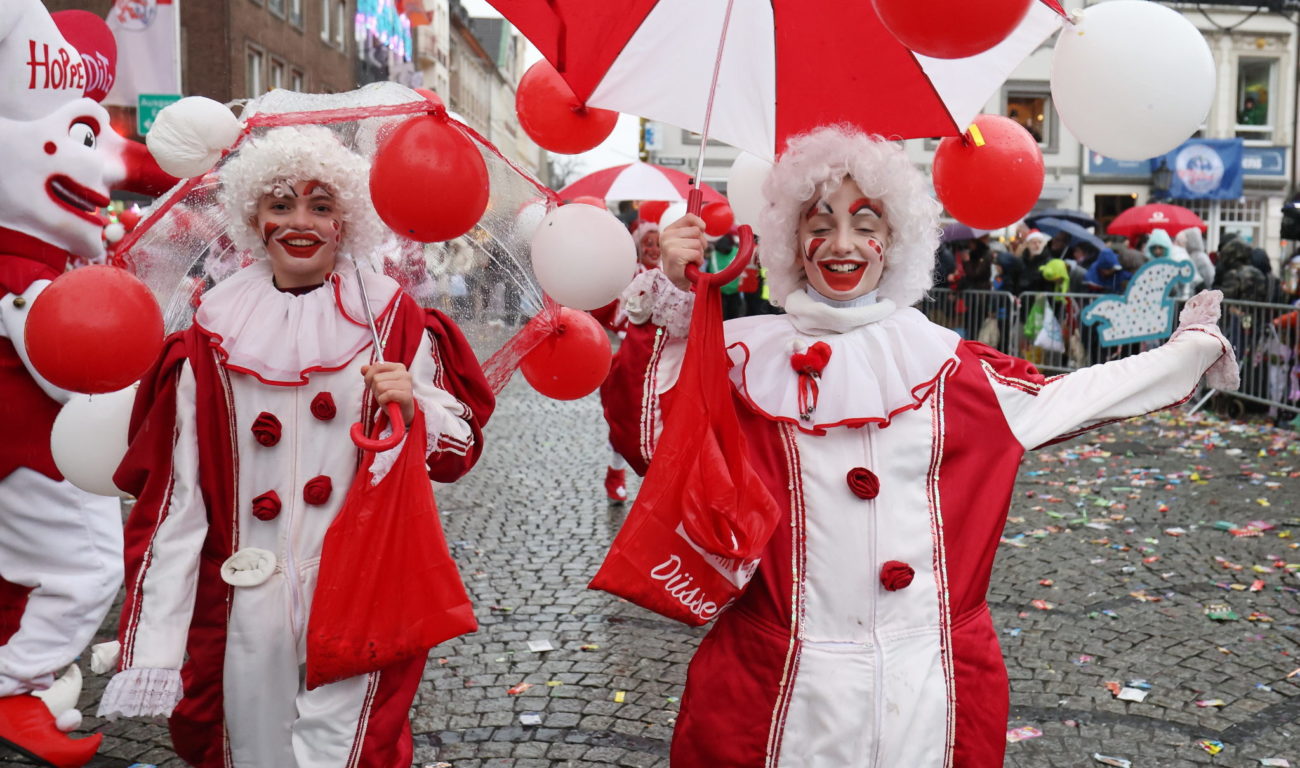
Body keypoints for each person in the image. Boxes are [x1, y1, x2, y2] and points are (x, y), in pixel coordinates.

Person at [608, 126, 1237, 767]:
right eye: (820, 221)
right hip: (775, 693)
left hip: (932, 692)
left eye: (866, 220)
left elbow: (1073, 396)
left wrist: (1186, 353)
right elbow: (651, 435)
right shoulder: (743, 358)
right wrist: (669, 301)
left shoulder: (948, 367)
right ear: (793, 241)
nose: (844, 244)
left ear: (895, 240)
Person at [96, 125, 495, 768]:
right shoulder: (211, 330)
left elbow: (455, 457)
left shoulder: (393, 320)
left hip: (360, 586)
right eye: (280, 205)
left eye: (320, 205)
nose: (299, 223)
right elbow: (175, 501)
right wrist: (156, 648)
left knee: (342, 753)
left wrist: (413, 405)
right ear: (254, 218)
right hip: (243, 599)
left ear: (347, 221)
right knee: (254, 752)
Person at [0, 3, 174, 764]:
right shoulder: (25, 274)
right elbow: (66, 367)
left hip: (42, 448)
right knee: (87, 567)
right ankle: (13, 687)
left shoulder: (44, 263)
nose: (110, 173)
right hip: (34, 449)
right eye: (81, 139)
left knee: (19, 567)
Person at [596, 219, 663, 502]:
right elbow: (612, 315)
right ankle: (616, 473)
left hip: (662, 362)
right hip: (629, 359)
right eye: (648, 243)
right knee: (624, 421)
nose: (654, 249)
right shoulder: (629, 274)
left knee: (662, 424)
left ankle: (659, 484)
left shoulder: (671, 274)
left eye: (659, 244)